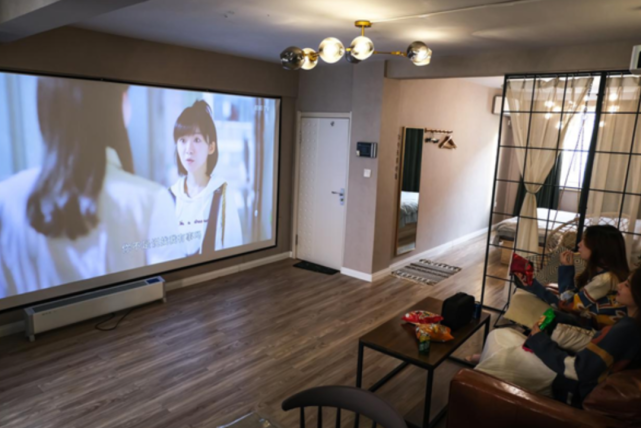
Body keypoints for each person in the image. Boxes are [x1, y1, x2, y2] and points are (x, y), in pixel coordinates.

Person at [0, 77, 184, 298]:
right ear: (118, 106)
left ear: (45, 107)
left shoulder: (6, 198)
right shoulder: (150, 200)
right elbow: (172, 294)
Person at [475, 268, 641, 407]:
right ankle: (482, 364)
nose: (619, 285)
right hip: (569, 369)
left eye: (626, 285)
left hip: (567, 384)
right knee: (502, 336)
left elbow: (578, 369)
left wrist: (540, 340)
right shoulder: (629, 323)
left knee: (498, 340)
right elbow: (593, 340)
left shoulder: (626, 329)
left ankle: (472, 388)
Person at [519, 225, 630, 329]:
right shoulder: (605, 274)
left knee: (541, 310)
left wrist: (566, 269)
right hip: (587, 320)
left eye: (584, 241)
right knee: (540, 296)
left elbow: (566, 304)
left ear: (598, 248)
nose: (579, 244)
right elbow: (572, 300)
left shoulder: (605, 279)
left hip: (592, 330)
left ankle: (534, 333)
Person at [169, 100, 243, 257]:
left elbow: (234, 254)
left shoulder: (222, 194)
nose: (188, 149)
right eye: (183, 140)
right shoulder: (170, 197)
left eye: (196, 140)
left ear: (211, 147)